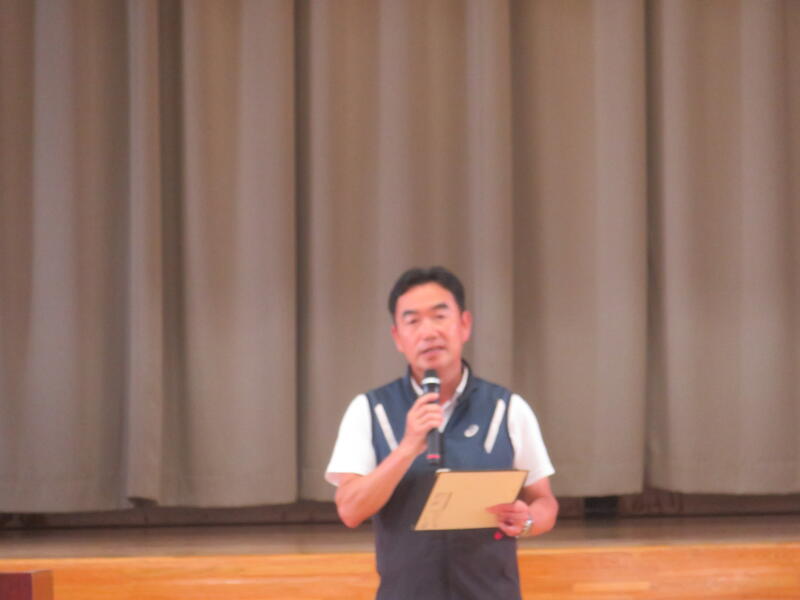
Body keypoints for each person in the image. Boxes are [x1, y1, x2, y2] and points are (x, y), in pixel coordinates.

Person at [325, 266, 558, 600]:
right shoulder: (369, 410)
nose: (428, 331)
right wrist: (407, 448)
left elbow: (544, 501)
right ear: (397, 337)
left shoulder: (507, 408)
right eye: (413, 321)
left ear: (464, 325)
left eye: (439, 316)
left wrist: (528, 520)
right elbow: (350, 510)